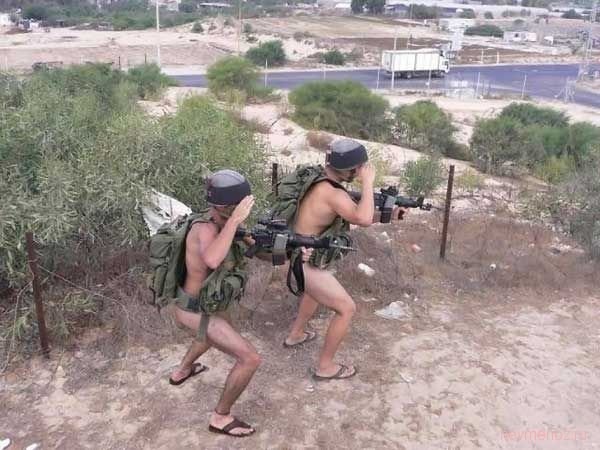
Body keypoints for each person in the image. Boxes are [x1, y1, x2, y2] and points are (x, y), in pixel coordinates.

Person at [282, 139, 406, 381]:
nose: (359, 172)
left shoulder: (320, 181)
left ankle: (295, 334)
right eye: (359, 168)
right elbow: (362, 218)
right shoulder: (333, 193)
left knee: (314, 292)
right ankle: (325, 367)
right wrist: (368, 182)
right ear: (351, 168)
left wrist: (389, 214)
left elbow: (354, 214)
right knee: (346, 308)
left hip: (297, 253)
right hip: (302, 261)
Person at [167, 169, 259, 437]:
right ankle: (220, 417)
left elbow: (259, 250)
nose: (244, 209)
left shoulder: (222, 223)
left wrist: (288, 246)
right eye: (240, 205)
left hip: (205, 306)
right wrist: (235, 222)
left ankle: (181, 371)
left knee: (209, 337)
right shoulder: (205, 228)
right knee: (250, 359)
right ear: (226, 207)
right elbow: (212, 259)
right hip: (194, 311)